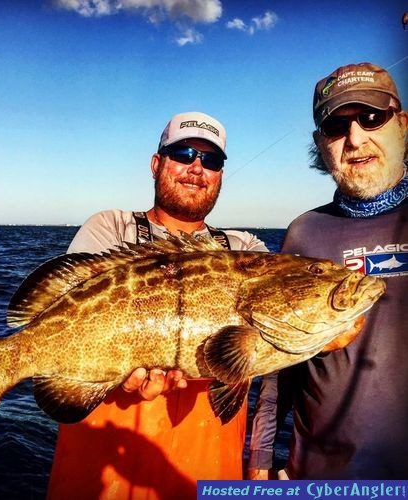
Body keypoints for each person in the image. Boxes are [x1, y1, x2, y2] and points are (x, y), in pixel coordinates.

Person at [47, 111, 268, 499]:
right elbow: (63, 319)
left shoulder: (246, 250)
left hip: (207, 478)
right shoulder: (111, 229)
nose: (196, 168)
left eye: (211, 160)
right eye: (183, 153)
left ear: (219, 176)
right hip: (99, 480)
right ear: (156, 164)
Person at [248, 62, 408, 479]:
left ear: (403, 124)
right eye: (337, 126)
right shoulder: (304, 232)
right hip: (316, 477)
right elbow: (278, 365)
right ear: (321, 144)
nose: (356, 139)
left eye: (373, 117)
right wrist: (261, 462)